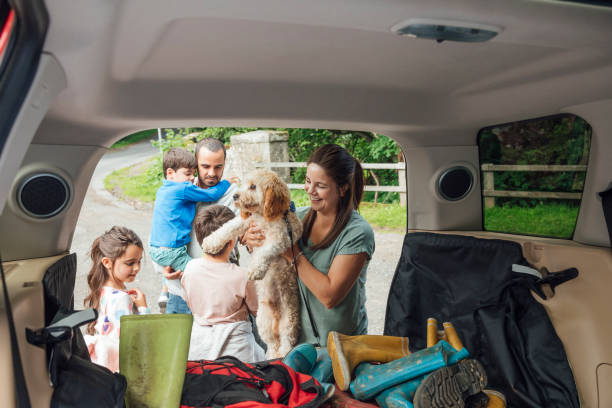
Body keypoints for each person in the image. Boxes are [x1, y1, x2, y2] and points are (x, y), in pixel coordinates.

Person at [244, 144, 375, 346]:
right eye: (307, 181)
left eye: (320, 186)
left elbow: (329, 296)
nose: (310, 190)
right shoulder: (298, 218)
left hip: (341, 348)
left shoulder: (357, 233)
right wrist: (253, 242)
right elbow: (268, 256)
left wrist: (291, 252)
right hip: (297, 344)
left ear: (342, 188)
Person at [149, 146, 231, 313]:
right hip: (174, 257)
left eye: (218, 167)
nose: (191, 178)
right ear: (170, 173)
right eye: (188, 173)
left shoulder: (163, 190)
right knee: (199, 273)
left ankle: (165, 292)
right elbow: (211, 195)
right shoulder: (183, 189)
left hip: (158, 249)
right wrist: (227, 182)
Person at [181, 205, 265, 362]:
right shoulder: (243, 276)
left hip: (199, 346)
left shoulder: (190, 268)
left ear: (199, 239)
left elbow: (188, 300)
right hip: (237, 351)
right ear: (231, 241)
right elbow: (258, 310)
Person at [83, 226, 149, 373]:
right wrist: (143, 308)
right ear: (107, 263)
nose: (137, 268)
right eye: (130, 263)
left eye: (139, 261)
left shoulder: (101, 290)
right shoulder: (122, 299)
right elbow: (135, 341)